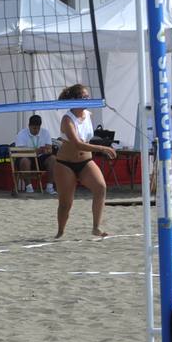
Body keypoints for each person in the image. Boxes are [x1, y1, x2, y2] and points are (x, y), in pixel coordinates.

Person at [53, 83, 115, 238]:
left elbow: (85, 141)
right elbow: (77, 144)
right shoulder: (67, 120)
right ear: (74, 99)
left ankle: (96, 227)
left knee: (100, 187)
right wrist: (103, 149)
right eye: (83, 97)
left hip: (85, 162)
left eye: (88, 96)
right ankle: (60, 231)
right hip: (65, 163)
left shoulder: (88, 114)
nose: (87, 99)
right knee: (66, 203)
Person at [13, 114, 56, 195]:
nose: (36, 130)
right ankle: (29, 187)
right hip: (26, 157)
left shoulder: (45, 132)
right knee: (25, 161)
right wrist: (35, 151)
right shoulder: (21, 134)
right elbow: (20, 151)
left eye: (38, 128)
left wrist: (46, 151)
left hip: (40, 158)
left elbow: (49, 149)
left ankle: (49, 186)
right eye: (34, 128)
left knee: (53, 159)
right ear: (29, 126)